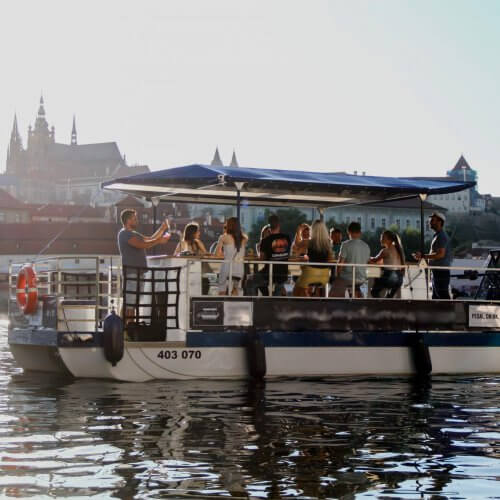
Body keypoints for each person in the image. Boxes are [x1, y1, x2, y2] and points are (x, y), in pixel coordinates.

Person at [117, 209, 171, 320]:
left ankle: (125, 327)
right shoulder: (124, 234)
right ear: (128, 220)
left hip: (139, 272)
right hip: (132, 273)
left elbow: (150, 239)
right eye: (134, 219)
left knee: (132, 303)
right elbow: (142, 245)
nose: (137, 220)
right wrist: (159, 241)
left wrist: (162, 228)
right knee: (130, 304)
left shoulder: (133, 233)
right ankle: (127, 329)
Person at [245, 214, 291, 296]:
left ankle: (254, 304)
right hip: (283, 275)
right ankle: (272, 301)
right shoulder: (287, 238)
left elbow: (262, 259)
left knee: (250, 281)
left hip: (269, 274)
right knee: (277, 289)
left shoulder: (265, 240)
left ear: (269, 226)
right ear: (279, 225)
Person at [412, 211, 451, 299]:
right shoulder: (438, 235)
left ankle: (447, 312)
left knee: (442, 297)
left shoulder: (441, 236)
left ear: (439, 222)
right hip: (437, 271)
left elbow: (440, 254)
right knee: (436, 297)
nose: (430, 222)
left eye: (432, 220)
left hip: (440, 271)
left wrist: (423, 256)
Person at [293, 220, 334, 296]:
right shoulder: (328, 242)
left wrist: (298, 231)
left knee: (297, 288)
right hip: (324, 275)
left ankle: (303, 304)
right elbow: (330, 259)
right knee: (318, 286)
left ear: (313, 230)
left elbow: (297, 244)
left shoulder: (308, 242)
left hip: (310, 274)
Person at [330, 221, 370, 297]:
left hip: (348, 278)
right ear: (360, 232)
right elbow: (367, 262)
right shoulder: (366, 246)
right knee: (354, 287)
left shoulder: (345, 244)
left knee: (334, 292)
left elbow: (340, 264)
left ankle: (340, 307)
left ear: (348, 232)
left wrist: (337, 277)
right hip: (362, 278)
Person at [215, 217, 248, 296]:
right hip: (239, 269)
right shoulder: (244, 238)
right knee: (236, 291)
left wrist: (226, 254)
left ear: (229, 225)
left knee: (222, 291)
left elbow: (217, 254)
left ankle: (222, 307)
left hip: (227, 268)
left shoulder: (223, 237)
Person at [369, 230, 405, 298]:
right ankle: (386, 306)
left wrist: (365, 257)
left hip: (389, 277)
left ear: (389, 240)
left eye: (383, 237)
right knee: (388, 297)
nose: (380, 239)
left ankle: (381, 306)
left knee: (373, 291)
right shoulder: (399, 249)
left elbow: (374, 260)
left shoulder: (385, 250)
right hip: (399, 279)